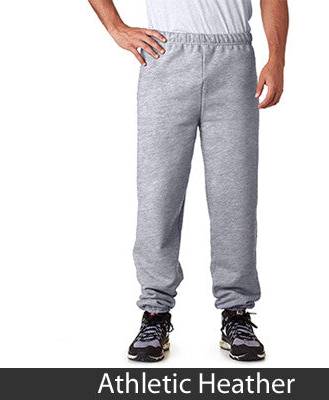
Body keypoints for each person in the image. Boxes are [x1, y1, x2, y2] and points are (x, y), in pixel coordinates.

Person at [88, 0, 288, 362]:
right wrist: (116, 28)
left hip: (234, 57)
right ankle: (155, 311)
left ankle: (237, 311)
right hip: (166, 54)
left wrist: (277, 59)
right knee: (158, 194)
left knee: (235, 195)